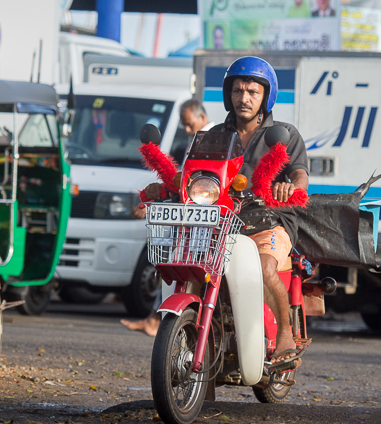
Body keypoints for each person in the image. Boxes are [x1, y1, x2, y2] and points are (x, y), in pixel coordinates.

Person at [213, 57, 310, 369]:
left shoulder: (284, 133)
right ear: (228, 93)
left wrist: (291, 187)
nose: (244, 98)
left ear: (266, 97)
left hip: (271, 219)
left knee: (264, 268)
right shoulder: (215, 135)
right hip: (224, 222)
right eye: (238, 90)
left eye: (253, 92)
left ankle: (285, 333)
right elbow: (195, 173)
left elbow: (299, 174)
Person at [121, 99, 214, 336]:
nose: (186, 129)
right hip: (186, 216)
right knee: (173, 266)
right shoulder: (196, 140)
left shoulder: (212, 139)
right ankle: (156, 319)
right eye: (184, 124)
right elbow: (180, 183)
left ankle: (157, 320)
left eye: (188, 123)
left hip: (202, 219)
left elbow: (196, 183)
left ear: (202, 118)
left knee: (187, 268)